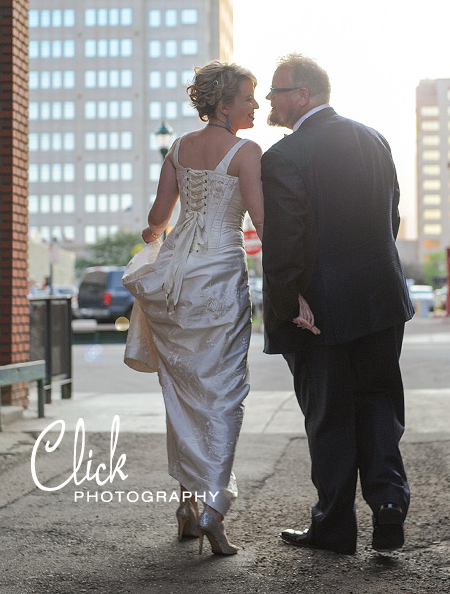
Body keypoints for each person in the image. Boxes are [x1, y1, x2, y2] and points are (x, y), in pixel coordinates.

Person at [260, 53, 414, 555]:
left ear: (302, 96)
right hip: (381, 300)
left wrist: (288, 300)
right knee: (378, 402)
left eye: (276, 92)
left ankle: (333, 527)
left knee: (328, 415)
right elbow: (390, 217)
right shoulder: (374, 138)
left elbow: (286, 238)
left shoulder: (284, 155)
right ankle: (389, 506)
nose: (270, 101)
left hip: (319, 310)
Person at [122, 61, 264, 556]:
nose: (256, 105)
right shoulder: (247, 153)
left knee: (183, 392)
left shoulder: (178, 147)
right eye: (248, 97)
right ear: (223, 105)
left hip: (177, 284)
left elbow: (158, 216)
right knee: (221, 393)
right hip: (220, 279)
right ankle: (211, 511)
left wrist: (152, 235)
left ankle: (187, 506)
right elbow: (262, 225)